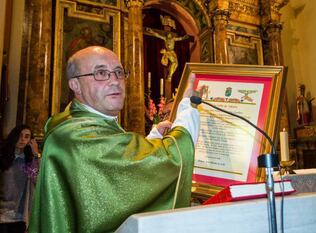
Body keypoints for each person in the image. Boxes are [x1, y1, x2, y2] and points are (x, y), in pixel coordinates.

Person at [29, 46, 201, 232]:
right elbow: (171, 159)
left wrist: (154, 136)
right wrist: (187, 109)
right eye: (101, 73)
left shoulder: (78, 121)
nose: (115, 81)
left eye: (119, 72)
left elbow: (119, 181)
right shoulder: (76, 136)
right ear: (75, 85)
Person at [0, 125, 40, 233]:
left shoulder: (28, 161)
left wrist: (36, 155)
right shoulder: (3, 157)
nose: (22, 139)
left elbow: (36, 179)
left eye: (27, 137)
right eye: (20, 136)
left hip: (19, 216)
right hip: (2, 214)